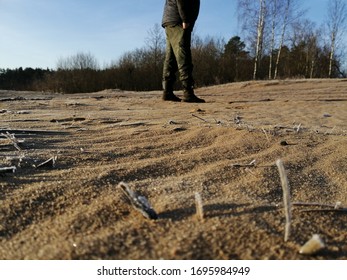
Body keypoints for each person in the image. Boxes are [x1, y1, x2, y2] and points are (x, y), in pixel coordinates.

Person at [161, 0, 205, 103]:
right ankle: (188, 93)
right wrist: (185, 19)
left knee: (171, 59)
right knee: (184, 57)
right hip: (178, 21)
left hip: (170, 21)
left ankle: (167, 92)